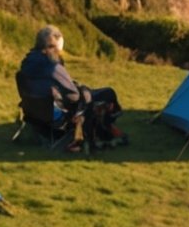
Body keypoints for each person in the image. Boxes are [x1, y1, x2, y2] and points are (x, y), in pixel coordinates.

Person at [15, 25, 126, 153]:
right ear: (50, 47)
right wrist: (82, 90)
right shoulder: (52, 67)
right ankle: (105, 133)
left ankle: (104, 131)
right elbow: (74, 95)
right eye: (59, 51)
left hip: (35, 114)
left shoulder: (26, 64)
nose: (60, 55)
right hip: (55, 115)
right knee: (107, 94)